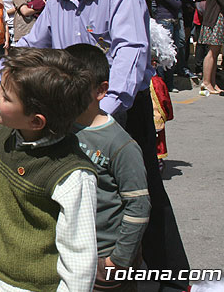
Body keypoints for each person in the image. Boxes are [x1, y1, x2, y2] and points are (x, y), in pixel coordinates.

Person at [0, 0, 191, 292]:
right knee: (85, 192)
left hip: (117, 111)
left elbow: (130, 56)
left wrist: (103, 118)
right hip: (72, 112)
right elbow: (31, 47)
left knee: (141, 189)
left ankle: (172, 278)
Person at [0, 47, 97, 291]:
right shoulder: (4, 133)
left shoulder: (72, 175)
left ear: (36, 121)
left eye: (7, 97)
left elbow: (79, 260)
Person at [67, 43, 150, 292]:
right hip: (70, 255)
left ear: (101, 90)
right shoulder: (61, 129)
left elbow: (139, 205)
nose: (65, 92)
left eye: (75, 86)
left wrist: (118, 261)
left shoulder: (120, 144)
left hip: (104, 261)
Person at [147, 0, 183, 92]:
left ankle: (168, 83)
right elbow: (177, 4)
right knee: (165, 54)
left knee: (170, 53)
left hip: (169, 20)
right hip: (166, 21)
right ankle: (165, 84)